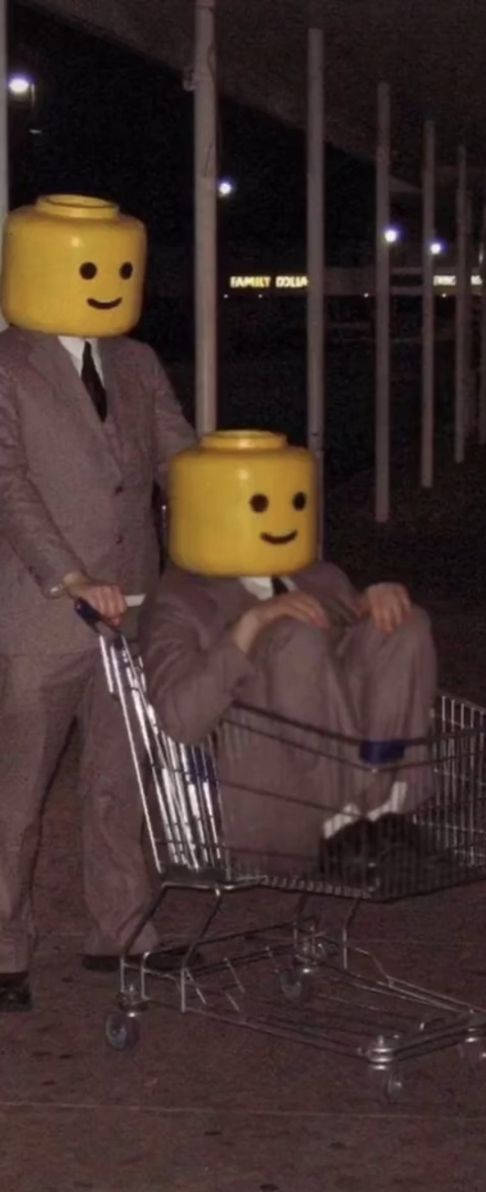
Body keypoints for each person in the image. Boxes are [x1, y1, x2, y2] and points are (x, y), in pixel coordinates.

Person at [0, 194, 195, 1011]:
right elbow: (7, 485)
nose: (109, 284)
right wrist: (69, 576)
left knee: (121, 780)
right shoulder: (6, 366)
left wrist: (246, 535)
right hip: (42, 615)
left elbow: (178, 457)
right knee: (19, 788)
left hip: (135, 605)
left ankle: (122, 931)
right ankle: (5, 948)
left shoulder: (138, 362)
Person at [139, 430, 437, 878]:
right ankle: (347, 818)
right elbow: (180, 720)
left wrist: (374, 600)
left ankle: (385, 811)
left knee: (404, 623)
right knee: (294, 633)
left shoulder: (316, 575)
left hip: (353, 762)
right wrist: (251, 625)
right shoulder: (180, 600)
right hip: (275, 785)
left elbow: (354, 651)